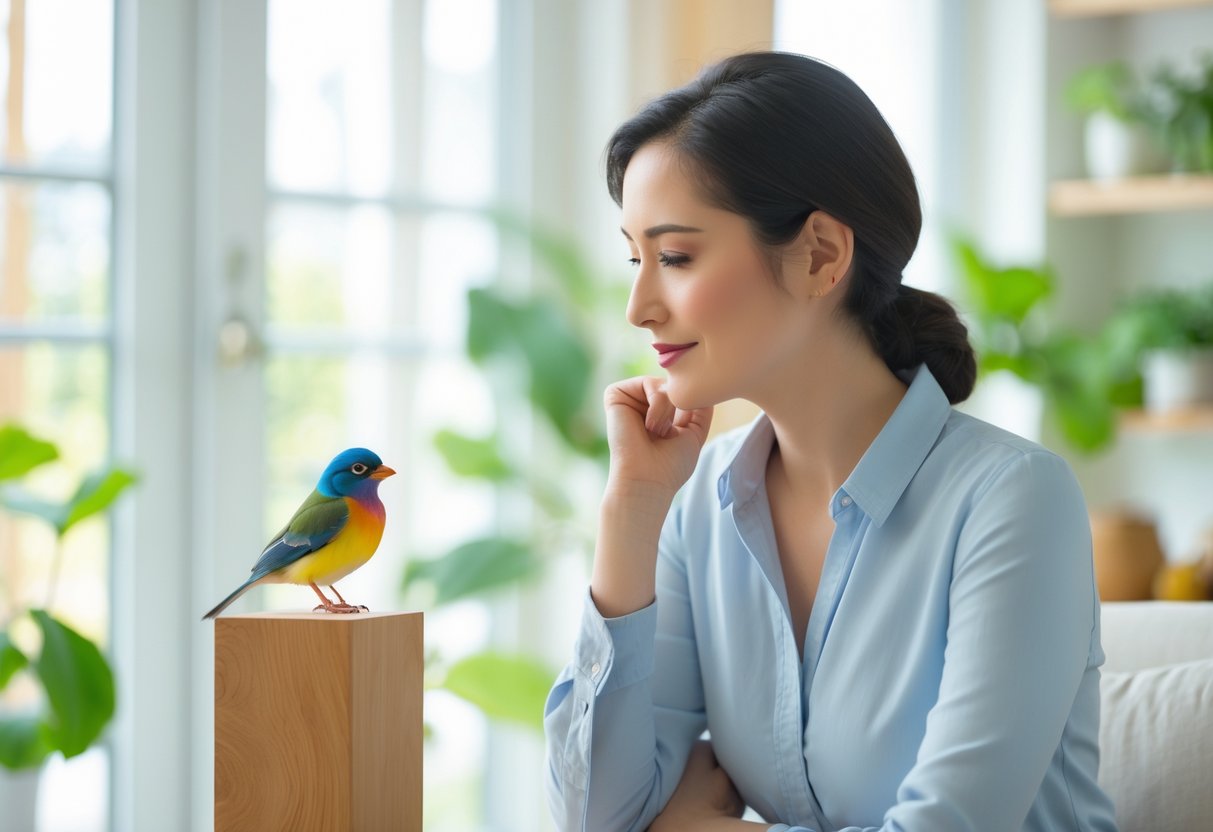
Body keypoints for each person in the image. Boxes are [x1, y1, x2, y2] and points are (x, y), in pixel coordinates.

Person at [543, 51, 1120, 832]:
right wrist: (631, 512)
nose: (638, 305)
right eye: (634, 258)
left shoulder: (1012, 500)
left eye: (675, 257)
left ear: (819, 254)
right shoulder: (696, 509)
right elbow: (594, 818)